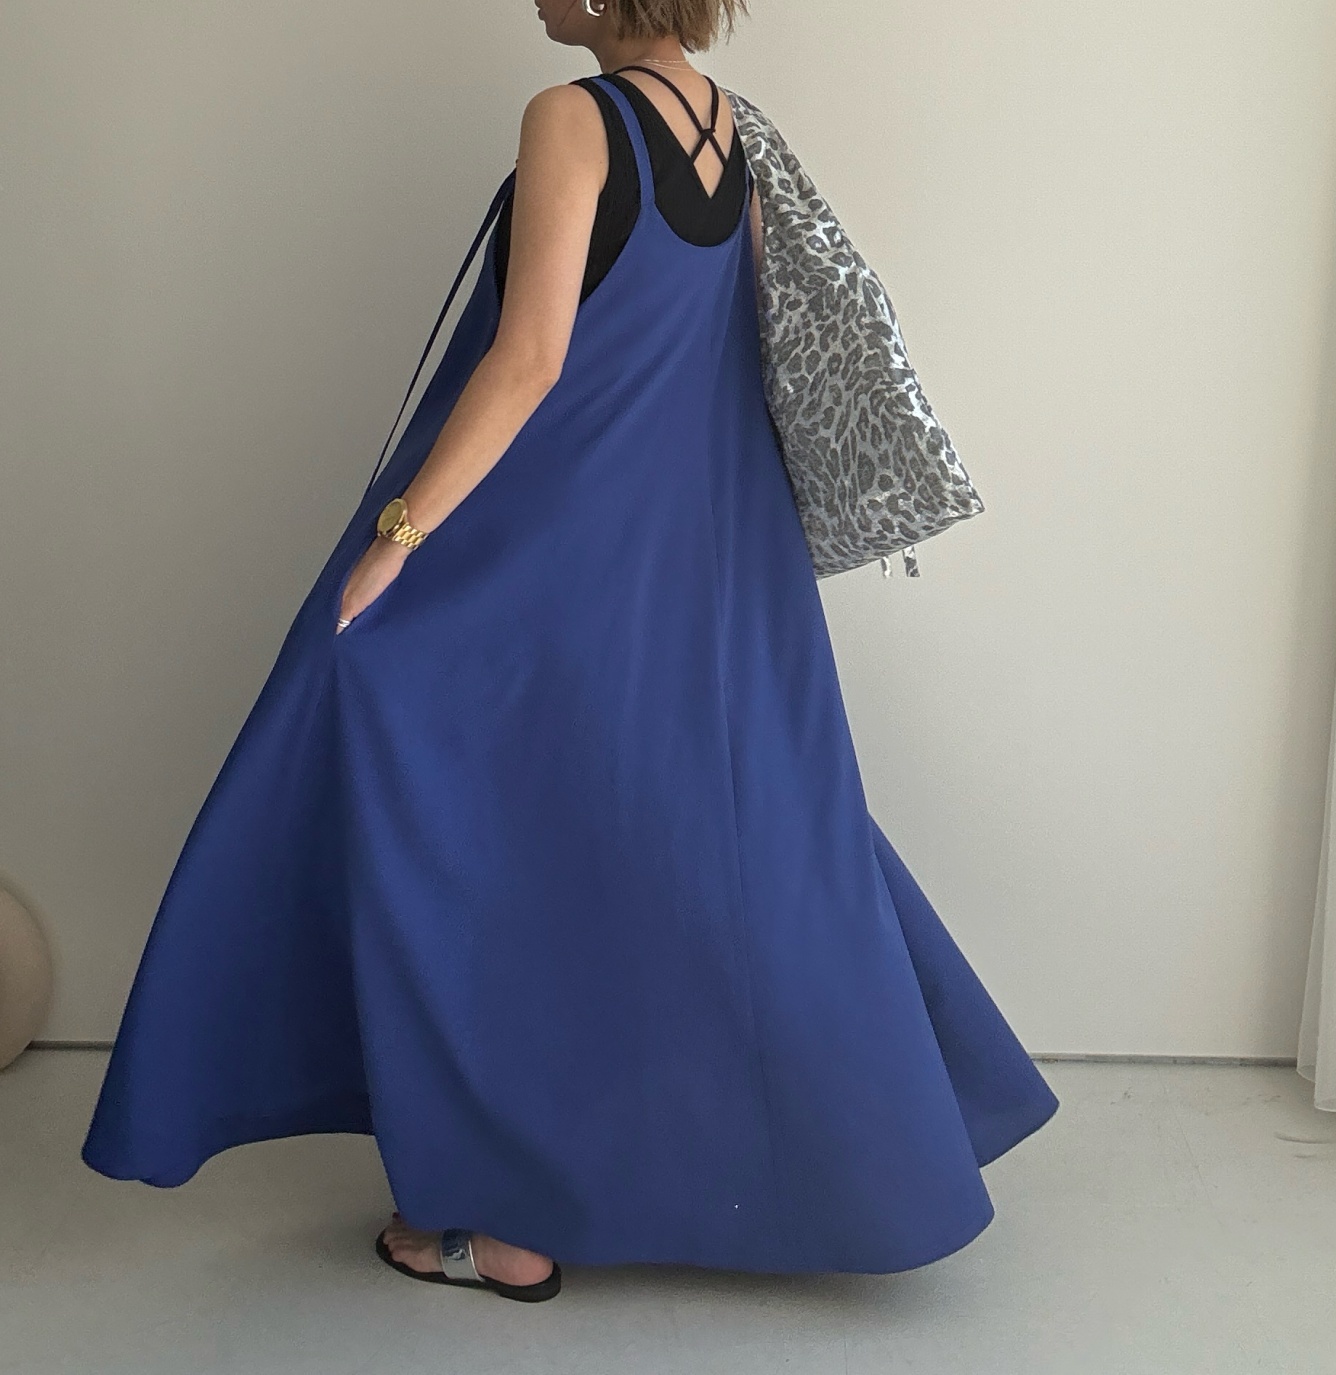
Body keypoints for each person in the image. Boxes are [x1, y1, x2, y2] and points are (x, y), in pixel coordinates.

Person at [81, 0, 1059, 1301]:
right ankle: (825, 1153)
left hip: (558, 550)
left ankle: (496, 1211)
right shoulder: (727, 126)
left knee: (393, 747)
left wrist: (400, 534)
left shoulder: (573, 121)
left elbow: (532, 358)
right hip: (696, 564)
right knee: (714, 847)